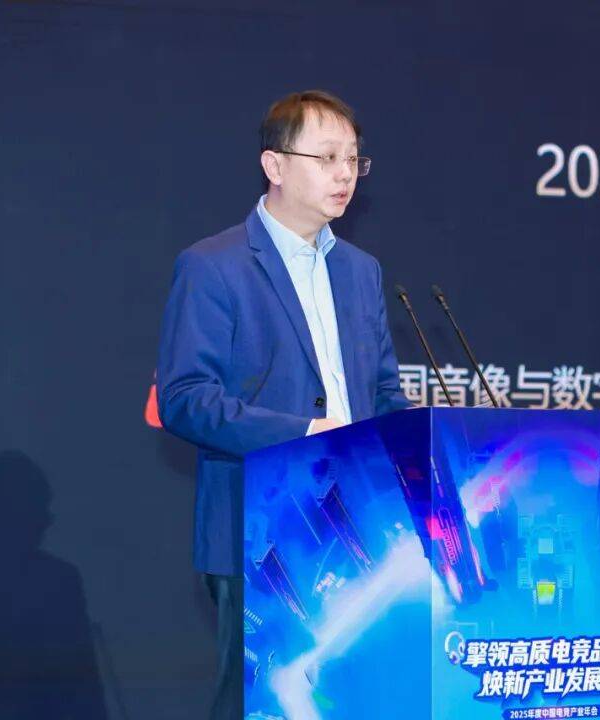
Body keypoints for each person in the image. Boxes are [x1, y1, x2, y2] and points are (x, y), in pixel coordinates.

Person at [156, 90, 410, 719]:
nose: (345, 174)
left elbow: (382, 393)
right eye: (327, 157)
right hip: (260, 527)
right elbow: (185, 399)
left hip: (360, 526)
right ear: (274, 165)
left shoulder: (361, 271)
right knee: (256, 701)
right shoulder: (213, 267)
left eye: (354, 159)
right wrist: (304, 433)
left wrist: (418, 441)